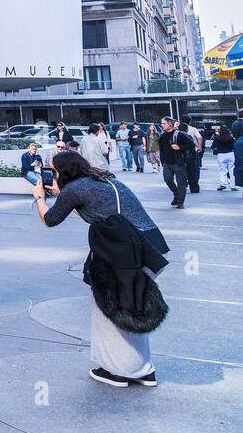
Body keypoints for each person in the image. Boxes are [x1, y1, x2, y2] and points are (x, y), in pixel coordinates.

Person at [31, 149, 168, 387]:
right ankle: (144, 370)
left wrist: (39, 198)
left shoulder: (75, 189)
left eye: (53, 171)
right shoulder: (104, 179)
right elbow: (96, 207)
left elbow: (50, 219)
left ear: (62, 172)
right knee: (134, 303)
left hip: (122, 252)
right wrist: (61, 193)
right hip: (148, 248)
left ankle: (118, 371)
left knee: (110, 309)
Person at [157, 116, 192, 208]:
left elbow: (191, 144)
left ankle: (180, 202)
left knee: (181, 183)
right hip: (167, 163)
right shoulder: (162, 136)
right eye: (162, 123)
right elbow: (162, 150)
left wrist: (180, 147)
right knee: (167, 179)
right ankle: (176, 194)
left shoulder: (179, 134)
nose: (162, 125)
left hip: (179, 162)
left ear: (170, 124)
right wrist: (163, 162)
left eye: (164, 123)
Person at [212, 125, 238, 192]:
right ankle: (233, 186)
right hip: (230, 154)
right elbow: (234, 146)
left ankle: (223, 184)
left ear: (220, 130)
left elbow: (213, 146)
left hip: (221, 154)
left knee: (222, 169)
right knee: (232, 170)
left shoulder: (217, 137)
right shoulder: (231, 138)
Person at [183, 122, 204, 194]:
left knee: (183, 169)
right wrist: (199, 147)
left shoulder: (176, 130)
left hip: (181, 154)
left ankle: (184, 182)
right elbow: (199, 138)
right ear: (189, 121)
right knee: (193, 169)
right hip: (192, 153)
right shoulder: (193, 130)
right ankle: (194, 185)